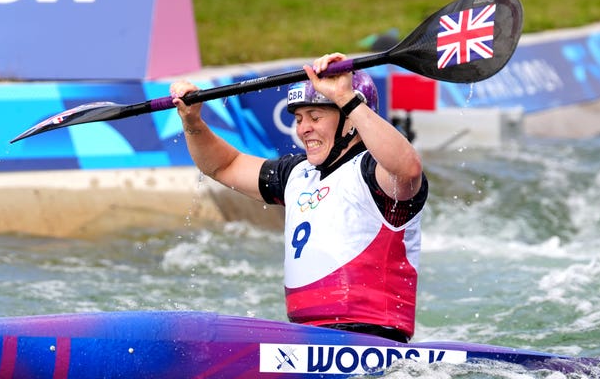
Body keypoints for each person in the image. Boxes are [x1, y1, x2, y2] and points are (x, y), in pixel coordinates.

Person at [170, 52, 428, 342]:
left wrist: (346, 97)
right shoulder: (296, 174)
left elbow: (408, 168)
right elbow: (222, 165)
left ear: (351, 120)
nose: (303, 129)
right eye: (299, 118)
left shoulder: (374, 174)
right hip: (306, 337)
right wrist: (193, 122)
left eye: (315, 117)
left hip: (373, 340)